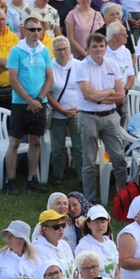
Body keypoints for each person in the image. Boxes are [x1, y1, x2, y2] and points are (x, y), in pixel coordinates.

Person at [4, 14, 53, 195]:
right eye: (32, 29)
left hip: (40, 102)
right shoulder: (16, 51)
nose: (36, 33)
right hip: (20, 102)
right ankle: (11, 179)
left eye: (39, 29)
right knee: (15, 141)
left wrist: (38, 100)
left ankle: (32, 178)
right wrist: (29, 100)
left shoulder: (44, 50)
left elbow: (49, 78)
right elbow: (13, 79)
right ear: (24, 30)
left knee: (35, 140)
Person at [76, 33, 127, 204]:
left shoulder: (113, 64)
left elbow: (121, 95)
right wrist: (109, 91)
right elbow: (88, 95)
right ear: (88, 49)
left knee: (119, 158)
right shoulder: (82, 66)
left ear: (105, 47)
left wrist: (99, 97)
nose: (98, 49)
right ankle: (89, 202)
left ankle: (123, 199)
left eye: (101, 46)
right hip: (88, 117)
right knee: (89, 162)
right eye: (94, 47)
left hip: (111, 116)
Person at [47, 36, 81, 185]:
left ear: (70, 49)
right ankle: (58, 175)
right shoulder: (49, 67)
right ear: (53, 51)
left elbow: (86, 88)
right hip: (56, 112)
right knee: (57, 147)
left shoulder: (79, 65)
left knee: (79, 146)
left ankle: (82, 176)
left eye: (65, 48)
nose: (62, 52)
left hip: (77, 112)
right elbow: (46, 92)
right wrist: (60, 109)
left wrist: (79, 108)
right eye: (59, 49)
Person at [75, 205, 119, 279]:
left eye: (103, 222)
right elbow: (85, 276)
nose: (100, 225)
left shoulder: (111, 244)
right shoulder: (83, 246)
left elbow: (116, 273)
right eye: (96, 222)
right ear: (89, 224)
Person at [34, 211, 76, 279]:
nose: (61, 229)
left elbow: (73, 272)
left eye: (63, 225)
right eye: (56, 227)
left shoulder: (65, 245)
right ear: (45, 229)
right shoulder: (38, 249)